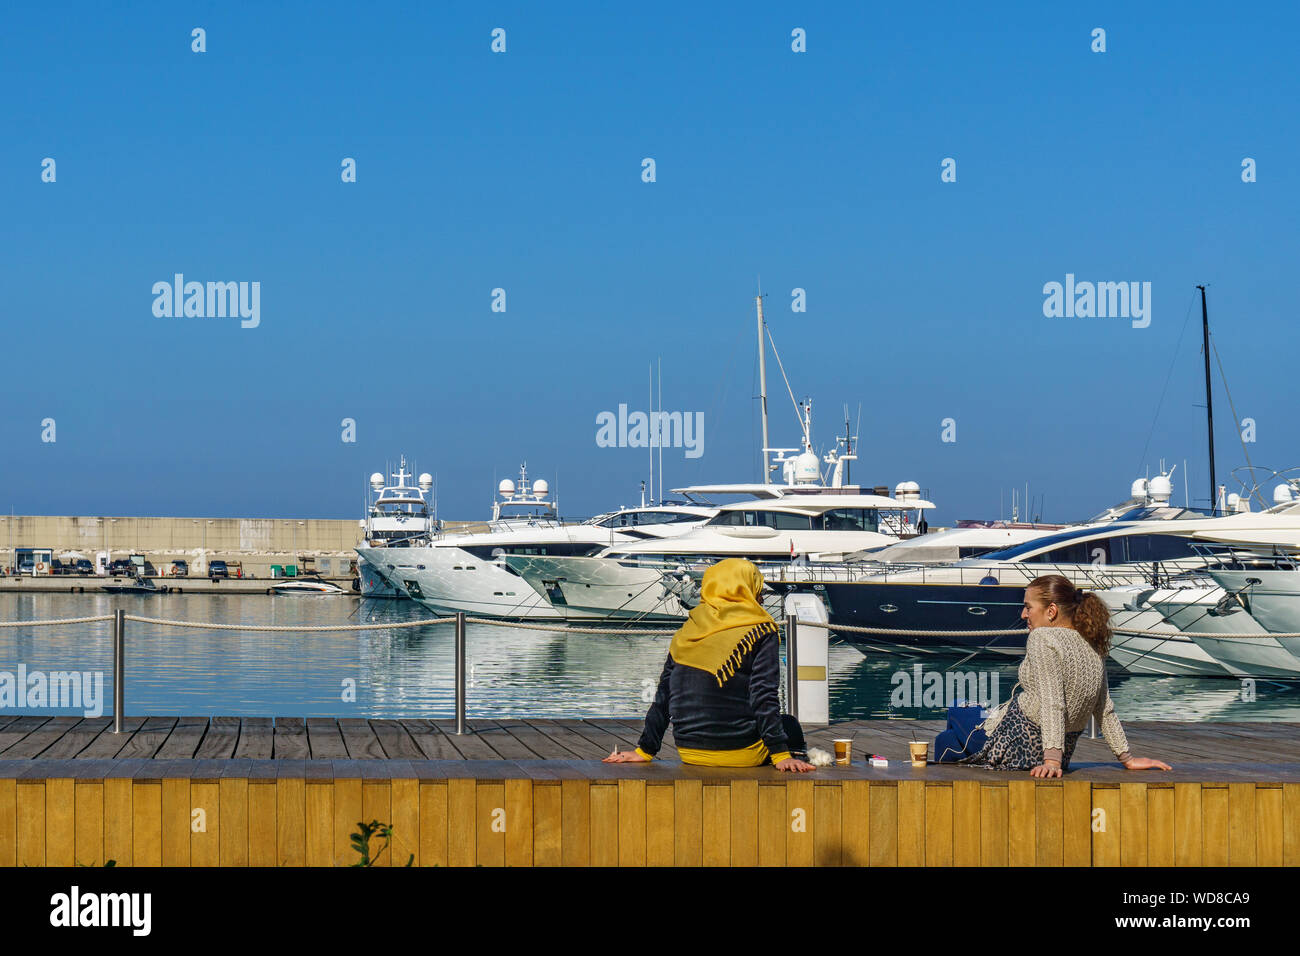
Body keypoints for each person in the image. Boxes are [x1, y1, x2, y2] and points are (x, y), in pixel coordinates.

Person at [933, 573, 1171, 777]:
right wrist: (1126, 758)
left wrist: (1052, 761)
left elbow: (1053, 701)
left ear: (1051, 611)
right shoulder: (1092, 643)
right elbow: (1104, 708)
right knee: (947, 741)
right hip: (1056, 749)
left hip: (1017, 743)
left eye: (1028, 607)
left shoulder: (1042, 638)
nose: (1023, 615)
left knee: (956, 709)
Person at [604, 558, 815, 772]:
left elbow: (663, 697)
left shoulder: (688, 631)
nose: (760, 596)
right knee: (790, 725)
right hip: (741, 752)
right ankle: (792, 764)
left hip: (689, 751)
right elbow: (763, 694)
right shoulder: (760, 630)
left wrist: (645, 751)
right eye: (757, 587)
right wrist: (780, 753)